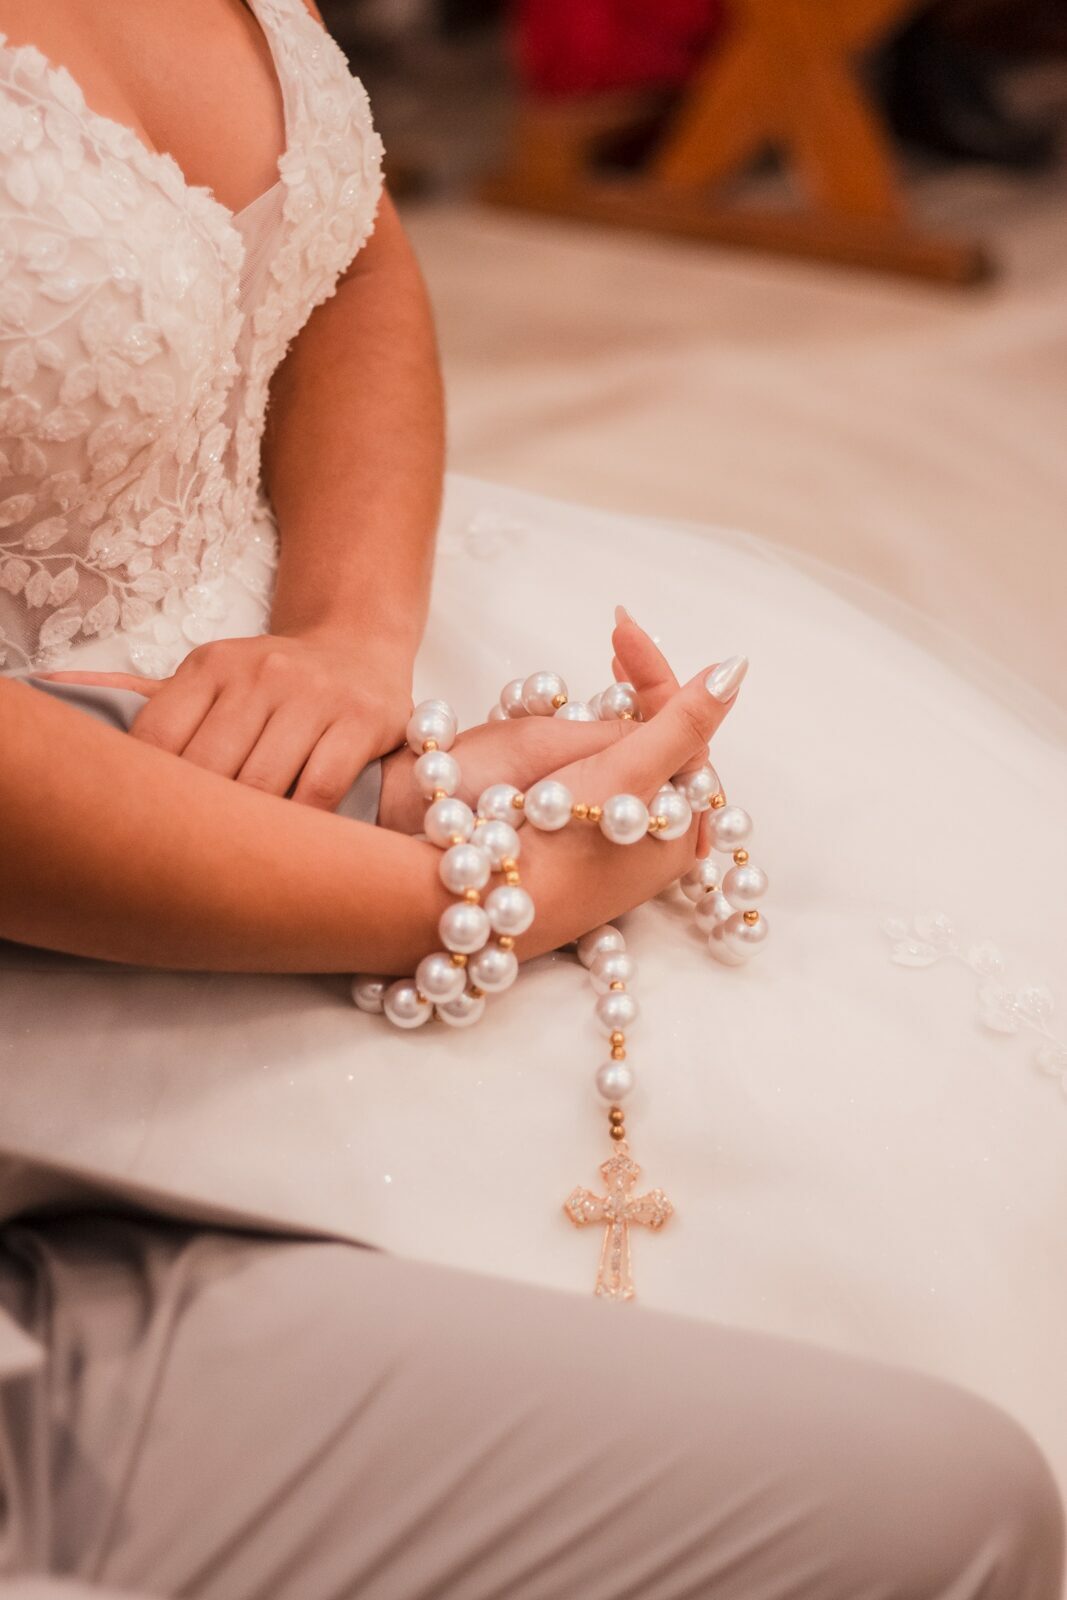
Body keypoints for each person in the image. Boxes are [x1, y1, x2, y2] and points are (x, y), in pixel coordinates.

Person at [0, 1, 1064, 1596]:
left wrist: (351, 635)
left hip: (335, 652)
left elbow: (343, 254)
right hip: (100, 864)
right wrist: (472, 895)